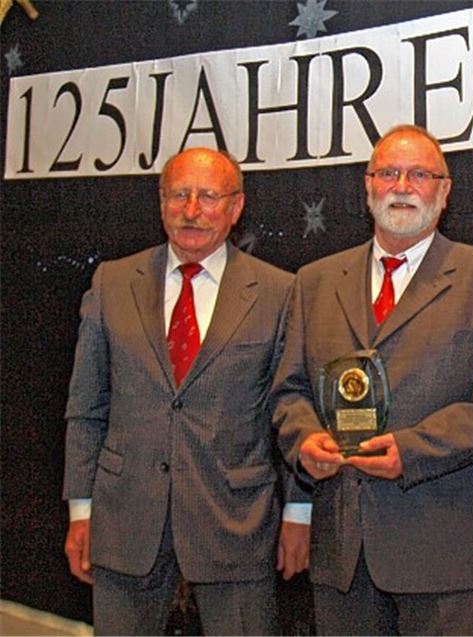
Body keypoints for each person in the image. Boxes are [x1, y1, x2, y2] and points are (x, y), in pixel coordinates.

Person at [271, 124, 473, 636]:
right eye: (388, 172)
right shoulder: (315, 281)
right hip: (342, 551)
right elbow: (289, 391)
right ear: (367, 186)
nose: (402, 185)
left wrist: (411, 450)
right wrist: (305, 441)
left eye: (419, 174)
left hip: (440, 550)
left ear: (445, 188)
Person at [62, 147, 306, 635]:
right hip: (125, 520)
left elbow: (293, 408)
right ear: (161, 201)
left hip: (235, 524)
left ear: (236, 208)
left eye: (209, 196)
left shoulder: (281, 293)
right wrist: (81, 509)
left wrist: (300, 511)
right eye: (179, 194)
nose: (192, 210)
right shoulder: (112, 282)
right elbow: (87, 407)